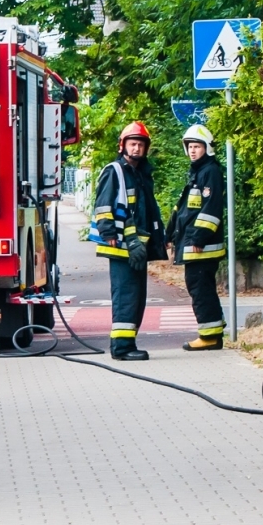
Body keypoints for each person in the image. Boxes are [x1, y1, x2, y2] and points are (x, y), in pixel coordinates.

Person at [92, 121, 166, 360]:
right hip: (121, 246)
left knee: (136, 297)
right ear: (122, 146)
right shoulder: (114, 171)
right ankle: (122, 348)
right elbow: (103, 207)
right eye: (133, 144)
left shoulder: (141, 174)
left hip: (138, 246)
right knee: (126, 296)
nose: (137, 148)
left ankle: (128, 343)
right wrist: (109, 234)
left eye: (141, 144)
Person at [170, 125, 228, 351]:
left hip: (203, 246)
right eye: (190, 147)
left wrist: (197, 239)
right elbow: (185, 209)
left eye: (197, 146)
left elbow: (210, 210)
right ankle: (214, 329)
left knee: (200, 288)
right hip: (197, 244)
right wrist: (170, 232)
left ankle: (209, 337)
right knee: (201, 287)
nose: (193, 151)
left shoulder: (209, 172)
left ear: (207, 148)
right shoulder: (198, 172)